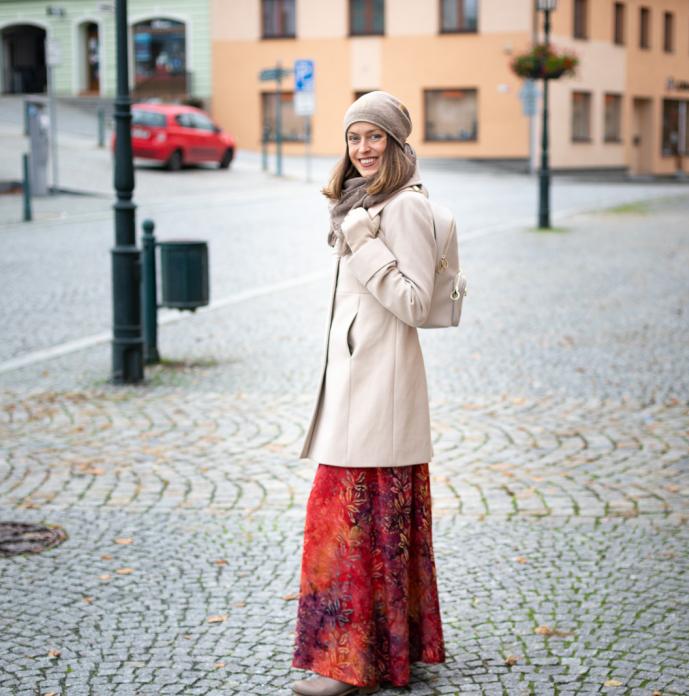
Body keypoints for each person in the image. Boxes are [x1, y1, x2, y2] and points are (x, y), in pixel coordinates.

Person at [291, 91, 445, 696]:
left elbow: (416, 303)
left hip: (380, 392)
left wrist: (364, 240)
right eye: (354, 137)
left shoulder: (402, 207)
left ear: (396, 143)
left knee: (345, 527)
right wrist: (357, 228)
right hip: (358, 387)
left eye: (374, 136)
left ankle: (348, 665)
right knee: (374, 527)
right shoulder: (363, 201)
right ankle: (384, 652)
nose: (363, 148)